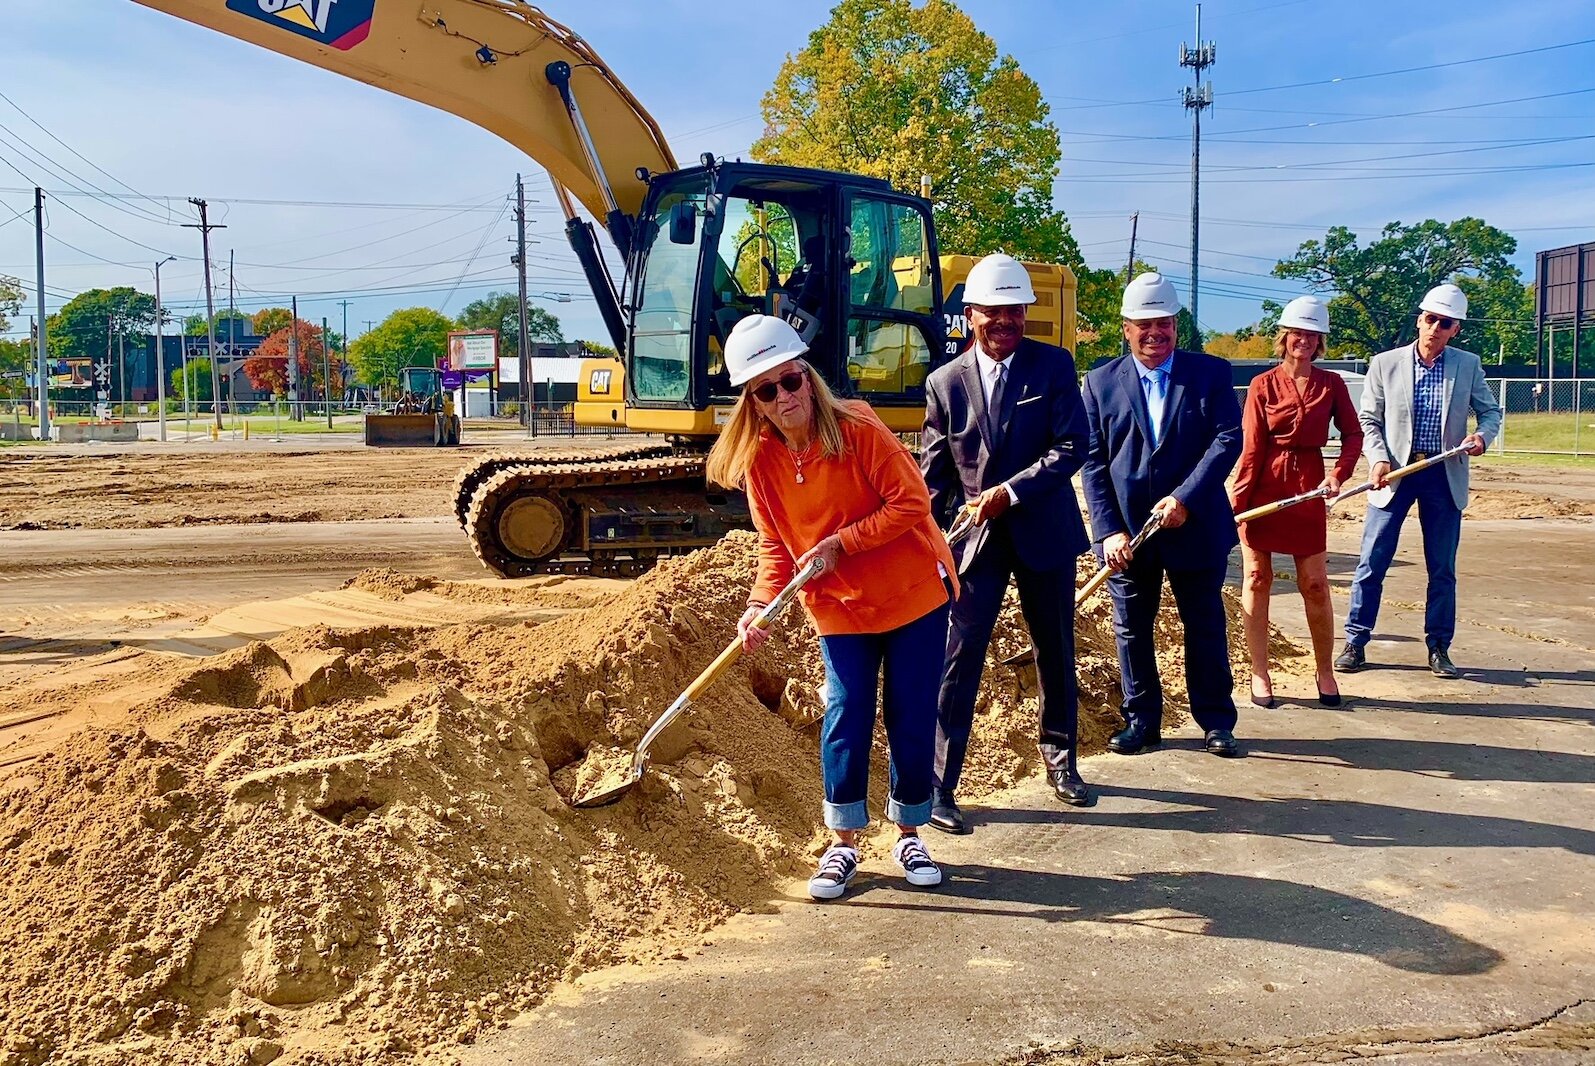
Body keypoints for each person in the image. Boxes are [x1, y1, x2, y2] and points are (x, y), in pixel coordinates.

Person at [705, 314, 958, 901]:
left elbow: (912, 502)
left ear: (807, 376)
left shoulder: (860, 427)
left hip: (912, 593)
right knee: (846, 712)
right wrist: (759, 604)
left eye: (790, 380)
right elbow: (773, 544)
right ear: (754, 402)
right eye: (766, 390)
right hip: (839, 605)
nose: (784, 396)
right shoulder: (760, 462)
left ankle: (910, 830)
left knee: (911, 711)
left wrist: (842, 543)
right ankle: (843, 842)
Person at [920, 252, 1095, 833]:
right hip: (977, 545)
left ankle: (1061, 760)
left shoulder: (1053, 367)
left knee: (1054, 648)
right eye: (993, 313)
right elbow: (936, 472)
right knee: (958, 657)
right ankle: (939, 785)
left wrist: (1009, 494)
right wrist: (929, 534)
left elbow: (1073, 446)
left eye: (1015, 312)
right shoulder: (944, 383)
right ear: (970, 315)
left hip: (1043, 532)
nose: (1005, 322)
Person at [1081, 272, 1244, 757]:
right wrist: (1108, 529)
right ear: (1126, 328)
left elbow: (1226, 440)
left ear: (1177, 325)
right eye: (1144, 324)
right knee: (1132, 627)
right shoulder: (1099, 383)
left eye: (1165, 323)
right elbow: (1092, 460)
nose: (1156, 333)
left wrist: (1184, 498)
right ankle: (1143, 721)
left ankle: (1216, 721)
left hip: (1195, 526)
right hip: (1129, 535)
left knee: (1205, 623)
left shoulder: (1210, 374)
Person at [1335, 284, 1503, 679]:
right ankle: (1356, 641)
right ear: (1419, 319)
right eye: (1430, 319)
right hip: (1395, 474)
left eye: (1445, 323)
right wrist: (1377, 459)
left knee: (1441, 567)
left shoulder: (1467, 365)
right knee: (1372, 562)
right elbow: (1369, 420)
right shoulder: (1385, 363)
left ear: (1455, 329)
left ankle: (1439, 646)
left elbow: (1491, 413)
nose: (1435, 328)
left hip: (1443, 475)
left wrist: (1481, 438)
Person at [1230, 296, 1363, 708]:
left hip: (1309, 486)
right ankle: (1259, 673)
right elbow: (1251, 446)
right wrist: (1238, 499)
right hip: (1264, 484)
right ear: (1284, 337)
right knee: (1256, 578)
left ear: (1319, 340)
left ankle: (1324, 671)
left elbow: (1353, 436)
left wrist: (1337, 474)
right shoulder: (1261, 385)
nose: (1302, 340)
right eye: (1296, 333)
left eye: (1311, 334)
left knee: (1315, 583)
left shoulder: (1332, 385)